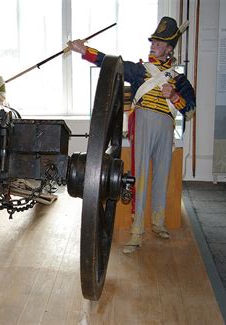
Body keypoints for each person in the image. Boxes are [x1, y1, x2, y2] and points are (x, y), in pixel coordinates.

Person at [68, 17, 196, 254]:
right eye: (153, 42)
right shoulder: (140, 70)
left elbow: (190, 106)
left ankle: (158, 222)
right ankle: (137, 230)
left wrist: (175, 95)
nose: (153, 46)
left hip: (166, 128)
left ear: (169, 49)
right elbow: (110, 62)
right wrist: (85, 51)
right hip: (144, 124)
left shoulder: (178, 79)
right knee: (141, 175)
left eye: (158, 43)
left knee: (162, 174)